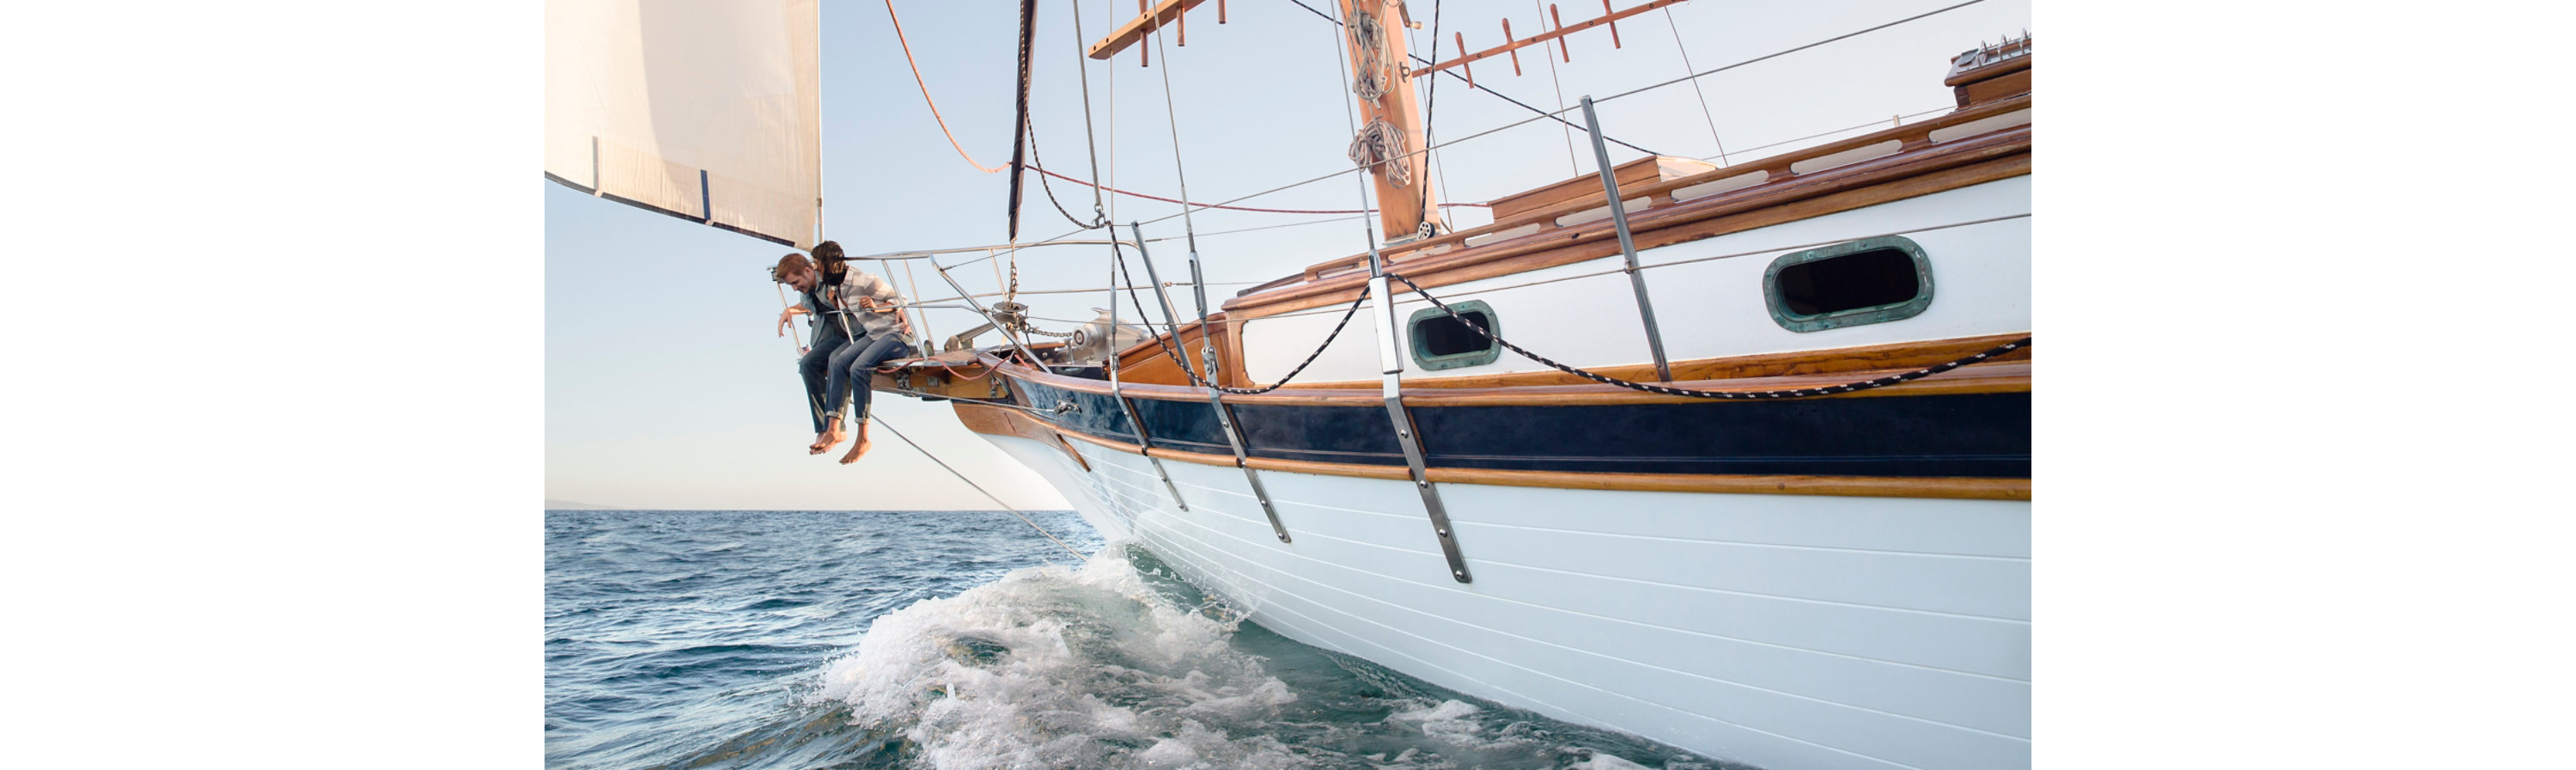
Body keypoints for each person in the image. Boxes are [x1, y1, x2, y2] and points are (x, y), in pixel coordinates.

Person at [774, 244, 915, 463]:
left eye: (795, 282)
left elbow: (899, 300)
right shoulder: (834, 288)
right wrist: (791, 309)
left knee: (850, 365)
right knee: (811, 364)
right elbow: (823, 307)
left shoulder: (852, 280)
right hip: (864, 334)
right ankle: (830, 429)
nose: (794, 288)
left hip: (874, 334)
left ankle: (855, 435)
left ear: (814, 269)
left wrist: (893, 310)